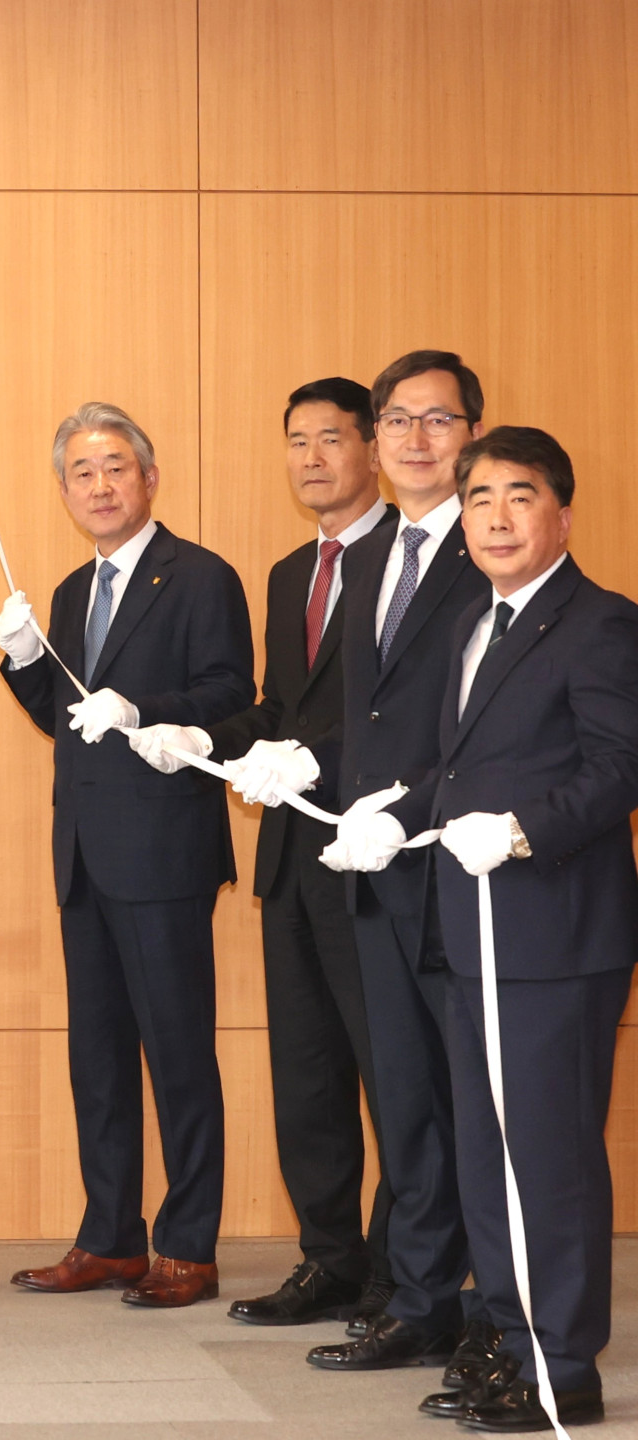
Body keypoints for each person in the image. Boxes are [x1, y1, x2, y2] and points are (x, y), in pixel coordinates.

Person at [329, 428, 638, 1432]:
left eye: (520, 496)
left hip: (553, 939)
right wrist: (396, 813)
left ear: (563, 514)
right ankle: (509, 1340)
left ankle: (564, 1370)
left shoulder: (601, 623)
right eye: (479, 499)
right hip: (470, 935)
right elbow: (460, 770)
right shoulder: (476, 620)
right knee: (488, 1159)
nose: (496, 518)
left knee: (548, 1160)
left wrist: (521, 830)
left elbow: (620, 767)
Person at [128, 377, 396, 1327]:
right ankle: (330, 1260)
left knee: (392, 1078)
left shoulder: (414, 562)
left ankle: (402, 1279)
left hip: (377, 857)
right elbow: (278, 708)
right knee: (308, 1077)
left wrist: (319, 760)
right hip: (290, 858)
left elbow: (404, 717)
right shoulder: (291, 573)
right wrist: (203, 738)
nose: (311, 458)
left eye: (331, 438)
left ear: (372, 449)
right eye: (296, 441)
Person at [0, 402, 253, 1308]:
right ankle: (110, 1238)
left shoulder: (201, 577)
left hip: (165, 852)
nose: (99, 486)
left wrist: (146, 711)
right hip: (85, 852)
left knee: (177, 1054)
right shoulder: (74, 591)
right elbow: (67, 720)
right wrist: (25, 661)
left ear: (149, 477)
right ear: (64, 491)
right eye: (81, 473)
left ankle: (188, 1246)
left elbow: (232, 693)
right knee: (98, 1058)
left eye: (115, 468)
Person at [291, 352, 496, 1382]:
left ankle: (496, 1311)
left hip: (459, 868)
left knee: (476, 1108)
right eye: (399, 420)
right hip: (371, 871)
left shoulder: (492, 548)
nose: (417, 440)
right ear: (376, 439)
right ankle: (419, 1302)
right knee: (407, 1103)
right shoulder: (370, 560)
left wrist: (407, 807)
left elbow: (488, 725)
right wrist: (304, 762)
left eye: (439, 420)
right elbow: (364, 720)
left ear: (473, 437)